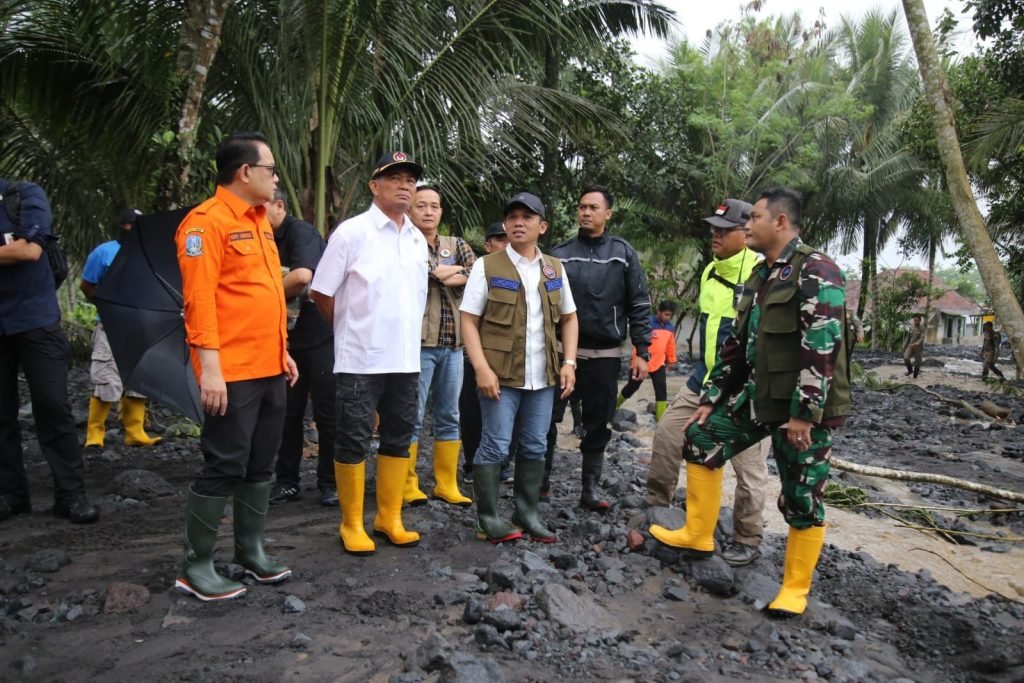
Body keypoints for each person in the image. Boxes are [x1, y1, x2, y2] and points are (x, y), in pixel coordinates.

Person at [649, 188, 851, 617]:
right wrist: (713, 397)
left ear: (779, 222)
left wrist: (803, 415)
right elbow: (737, 346)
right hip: (761, 395)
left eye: (754, 217)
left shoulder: (818, 270)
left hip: (802, 407)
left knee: (801, 493)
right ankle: (698, 533)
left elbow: (822, 347)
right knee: (702, 436)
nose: (746, 225)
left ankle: (794, 589)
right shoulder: (762, 275)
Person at [173, 132, 298, 601]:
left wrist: (282, 349)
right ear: (246, 172)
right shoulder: (205, 224)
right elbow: (199, 300)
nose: (276, 178)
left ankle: (251, 550)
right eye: (270, 169)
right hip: (231, 370)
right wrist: (210, 369)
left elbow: (261, 293)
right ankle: (196, 565)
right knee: (225, 462)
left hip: (268, 365)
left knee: (260, 463)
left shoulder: (260, 220)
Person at [310, 151, 427, 556]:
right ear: (374, 186)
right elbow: (321, 292)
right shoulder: (352, 233)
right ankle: (351, 523)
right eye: (394, 178)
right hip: (361, 359)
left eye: (410, 179)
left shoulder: (416, 238)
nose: (404, 186)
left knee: (399, 437)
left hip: (406, 361)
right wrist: (346, 330)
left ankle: (389, 517)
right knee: (353, 438)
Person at [644, 199, 770, 568]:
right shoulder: (710, 272)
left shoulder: (762, 273)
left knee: (748, 465)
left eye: (724, 229)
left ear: (746, 232)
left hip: (744, 386)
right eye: (713, 228)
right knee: (668, 433)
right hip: (706, 377)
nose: (715, 234)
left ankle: (747, 536)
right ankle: (657, 506)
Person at [460, 192, 578, 543]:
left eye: (527, 217)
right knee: (495, 445)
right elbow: (469, 320)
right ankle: (488, 518)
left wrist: (569, 362)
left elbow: (570, 318)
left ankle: (526, 513)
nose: (518, 222)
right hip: (500, 375)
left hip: (543, 377)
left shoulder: (554, 268)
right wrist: (480, 367)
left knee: (535, 446)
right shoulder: (488, 266)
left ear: (542, 226)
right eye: (512, 217)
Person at [546, 184, 651, 510]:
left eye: (593, 207)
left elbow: (639, 303)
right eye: (582, 207)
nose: (586, 213)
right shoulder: (559, 254)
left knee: (598, 424)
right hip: (561, 355)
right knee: (546, 420)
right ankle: (540, 484)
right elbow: (545, 304)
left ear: (608, 213)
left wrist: (642, 351)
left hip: (605, 355)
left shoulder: (623, 253)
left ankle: (589, 490)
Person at [0, 178, 99, 524]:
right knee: (1, 414)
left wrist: (16, 248)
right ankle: (11, 494)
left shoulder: (22, 195)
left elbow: (30, 250)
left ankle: (70, 494)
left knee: (53, 405)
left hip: (35, 319)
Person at [403, 185, 476, 507]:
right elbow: (418, 273)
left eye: (434, 206)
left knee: (450, 415)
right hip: (418, 344)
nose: (429, 211)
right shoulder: (403, 244)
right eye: (421, 206)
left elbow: (479, 275)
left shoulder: (456, 244)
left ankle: (446, 483)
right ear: (410, 211)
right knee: (412, 416)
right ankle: (406, 483)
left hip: (454, 345)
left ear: (441, 212)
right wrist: (444, 272)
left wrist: (448, 272)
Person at [265, 189, 338, 507]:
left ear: (279, 205)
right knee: (287, 413)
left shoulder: (300, 232)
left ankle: (330, 483)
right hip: (283, 339)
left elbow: (301, 276)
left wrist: (254, 300)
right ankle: (287, 481)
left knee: (328, 413)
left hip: (320, 335)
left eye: (259, 207)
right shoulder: (258, 237)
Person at [80, 208, 162, 448]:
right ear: (122, 225)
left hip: (141, 324)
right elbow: (87, 285)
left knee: (139, 377)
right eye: (130, 224)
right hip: (110, 324)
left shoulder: (151, 254)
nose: (133, 229)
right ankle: (95, 434)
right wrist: (107, 306)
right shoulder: (103, 252)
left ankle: (135, 432)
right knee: (107, 377)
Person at [459, 221, 515, 484]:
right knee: (472, 412)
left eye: (508, 239)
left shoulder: (522, 269)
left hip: (509, 356)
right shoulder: (481, 269)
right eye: (500, 239)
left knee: (507, 409)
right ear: (488, 244)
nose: (506, 243)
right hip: (474, 354)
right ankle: (472, 464)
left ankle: (503, 464)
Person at [617, 300, 678, 421]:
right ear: (659, 312)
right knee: (632, 387)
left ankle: (660, 420)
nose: (668, 317)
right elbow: (638, 344)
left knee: (661, 390)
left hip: (658, 364)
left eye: (670, 315)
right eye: (666, 314)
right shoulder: (647, 324)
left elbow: (670, 346)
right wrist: (635, 362)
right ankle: (614, 407)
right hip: (642, 362)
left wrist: (671, 360)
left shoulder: (670, 328)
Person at [904, 313, 924, 378]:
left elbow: (922, 338)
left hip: (918, 348)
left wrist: (916, 343)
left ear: (920, 320)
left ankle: (915, 377)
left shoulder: (922, 328)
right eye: (915, 320)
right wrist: (904, 345)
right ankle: (910, 370)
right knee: (906, 358)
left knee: (917, 363)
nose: (916, 321)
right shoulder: (911, 327)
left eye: (917, 320)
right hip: (910, 346)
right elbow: (908, 337)